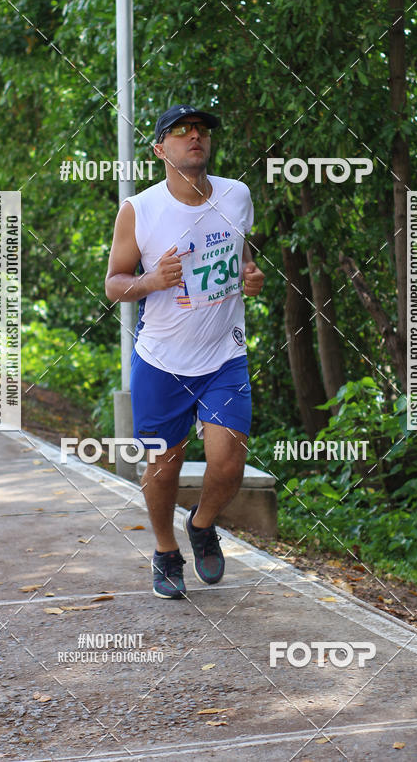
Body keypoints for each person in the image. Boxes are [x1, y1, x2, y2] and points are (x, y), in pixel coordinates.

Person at [105, 103, 264, 599]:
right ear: (160, 149)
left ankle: (202, 523)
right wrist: (152, 280)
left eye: (201, 130)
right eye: (180, 131)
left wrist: (250, 276)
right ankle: (165, 550)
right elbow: (114, 283)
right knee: (163, 466)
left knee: (227, 463)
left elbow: (242, 257)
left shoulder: (236, 196)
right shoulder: (139, 210)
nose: (194, 137)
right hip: (161, 361)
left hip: (223, 355)